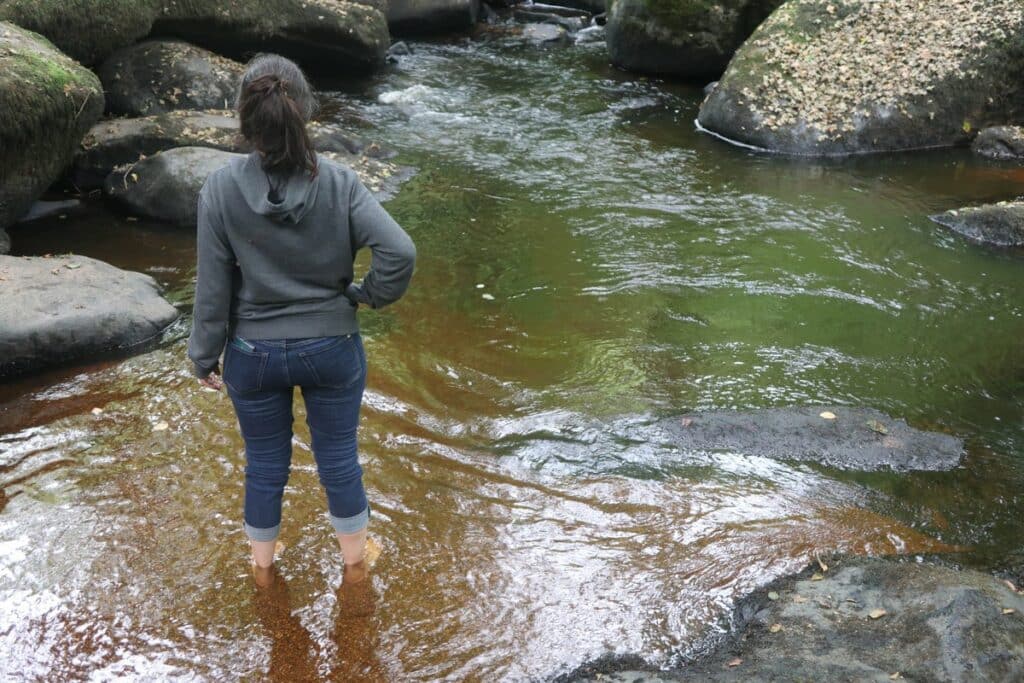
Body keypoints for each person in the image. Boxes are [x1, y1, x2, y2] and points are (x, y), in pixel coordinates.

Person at [187, 54, 416, 587]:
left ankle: (263, 569)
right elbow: (399, 252)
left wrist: (202, 357)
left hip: (253, 356)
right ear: (305, 111)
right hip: (332, 346)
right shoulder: (340, 183)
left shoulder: (219, 190)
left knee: (265, 464)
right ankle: (355, 565)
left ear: (245, 119)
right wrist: (366, 295)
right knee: (338, 457)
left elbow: (212, 290)